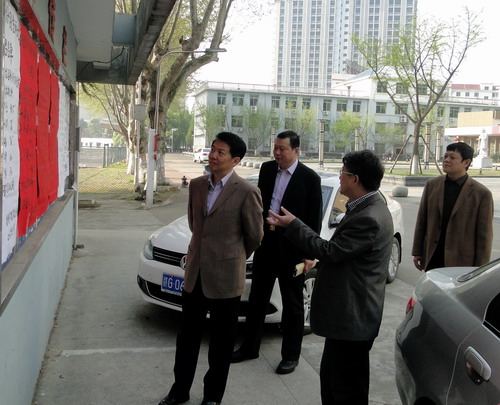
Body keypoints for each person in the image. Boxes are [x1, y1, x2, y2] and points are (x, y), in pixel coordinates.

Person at [266, 150, 394, 405]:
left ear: (355, 179)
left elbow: (330, 251)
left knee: (344, 389)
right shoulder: (367, 206)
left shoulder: (369, 217)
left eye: (343, 173)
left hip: (352, 318)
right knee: (334, 382)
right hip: (348, 319)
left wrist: (294, 224)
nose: (339, 177)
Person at [158, 132, 264, 405]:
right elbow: (195, 226)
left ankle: (212, 397)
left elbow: (255, 236)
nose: (213, 155)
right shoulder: (196, 185)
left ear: (235, 160)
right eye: (213, 149)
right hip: (195, 274)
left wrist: (230, 256)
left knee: (221, 342)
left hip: (226, 277)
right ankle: (179, 391)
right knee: (187, 339)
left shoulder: (247, 192)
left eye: (221, 152)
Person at [232, 130, 322, 375]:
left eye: (282, 149)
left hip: (292, 247)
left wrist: (309, 253)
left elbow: (314, 218)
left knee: (293, 304)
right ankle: (249, 347)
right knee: (257, 299)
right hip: (266, 243)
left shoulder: (309, 178)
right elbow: (259, 204)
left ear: (296, 151)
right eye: (275, 148)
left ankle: (290, 356)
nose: (277, 153)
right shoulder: (268, 169)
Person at [412, 142, 494, 271]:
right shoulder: (432, 185)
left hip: (462, 262)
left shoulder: (481, 194)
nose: (446, 160)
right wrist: (417, 251)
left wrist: (480, 269)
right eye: (445, 156)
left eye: (452, 157)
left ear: (466, 163)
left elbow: (484, 236)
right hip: (433, 256)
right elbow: (422, 221)